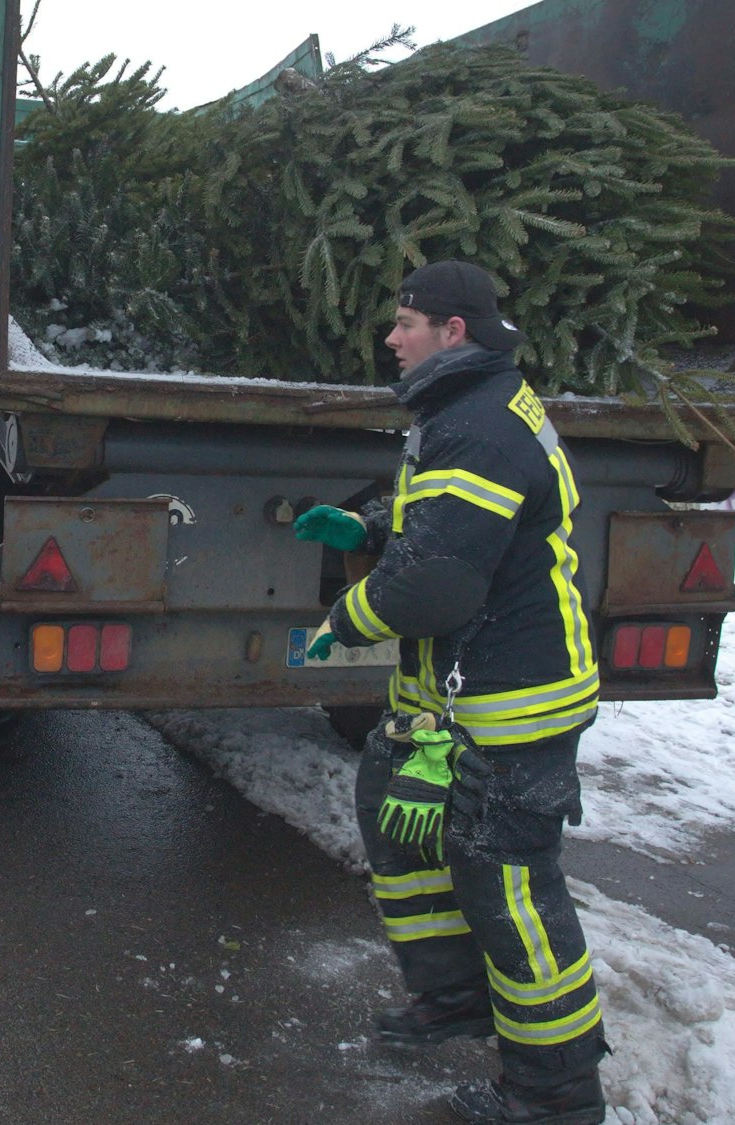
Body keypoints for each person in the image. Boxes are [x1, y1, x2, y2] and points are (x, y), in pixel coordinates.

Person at [294, 260, 608, 1124]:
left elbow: (436, 584)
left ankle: (556, 1095)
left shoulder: (477, 422)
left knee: (508, 886)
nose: (392, 339)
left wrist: (344, 620)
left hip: (514, 699)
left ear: (452, 331)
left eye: (405, 323)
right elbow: (455, 516)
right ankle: (455, 998)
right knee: (394, 813)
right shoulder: (466, 408)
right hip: (460, 694)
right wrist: (368, 524)